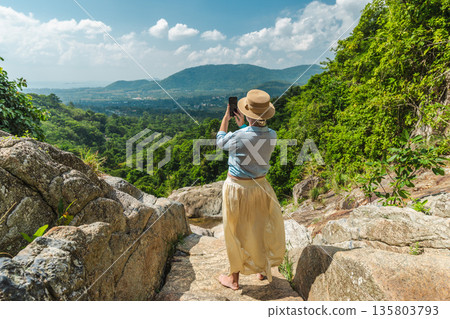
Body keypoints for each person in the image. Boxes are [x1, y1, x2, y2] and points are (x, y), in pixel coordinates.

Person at [216, 89, 286, 290]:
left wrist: (225, 118)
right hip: (261, 187)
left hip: (238, 189)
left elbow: (221, 142)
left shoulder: (239, 135)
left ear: (248, 114)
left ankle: (234, 279)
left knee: (236, 231)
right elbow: (254, 137)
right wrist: (245, 127)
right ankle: (262, 270)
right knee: (260, 228)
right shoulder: (272, 134)